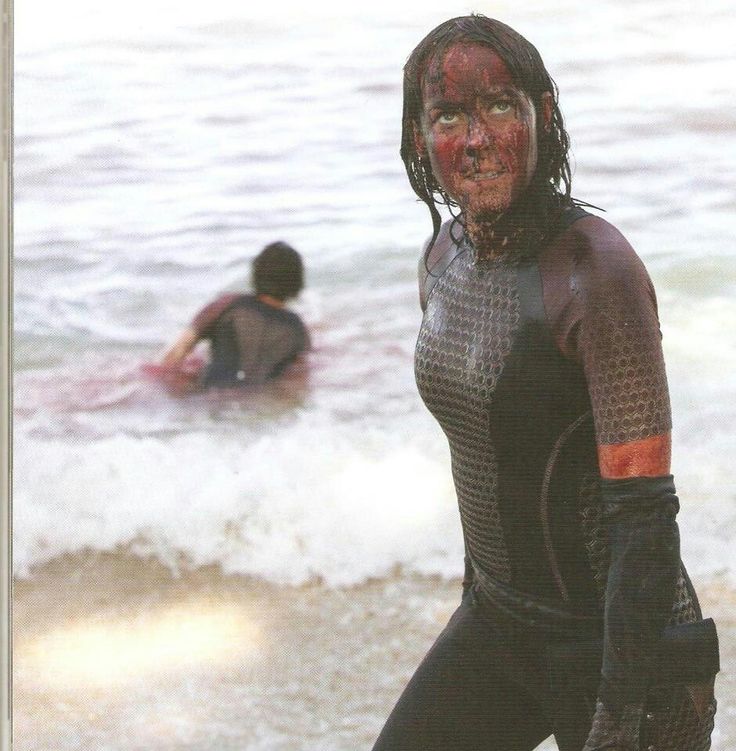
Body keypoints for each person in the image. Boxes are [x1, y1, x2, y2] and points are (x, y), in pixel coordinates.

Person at [372, 15, 718, 751]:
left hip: (627, 654)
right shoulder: (443, 259)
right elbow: (484, 459)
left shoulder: (596, 271)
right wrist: (474, 595)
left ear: (543, 116)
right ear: (417, 138)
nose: (476, 138)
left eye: (500, 106)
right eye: (448, 115)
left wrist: (618, 719)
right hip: (501, 624)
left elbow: (646, 520)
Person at [160, 241, 309, 389]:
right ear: (297, 283)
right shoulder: (298, 330)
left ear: (256, 273)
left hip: (207, 393)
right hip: (257, 402)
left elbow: (179, 350)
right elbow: (297, 384)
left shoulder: (227, 305)